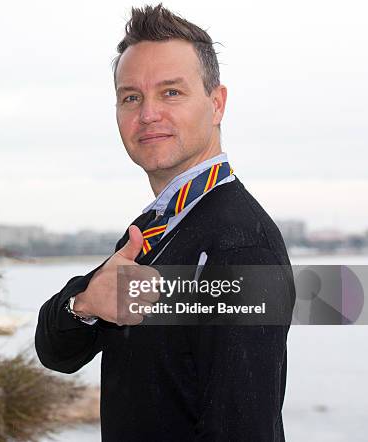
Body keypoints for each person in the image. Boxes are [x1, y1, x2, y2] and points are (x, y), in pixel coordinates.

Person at [35, 4, 295, 441]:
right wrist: (85, 306)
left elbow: (242, 428)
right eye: (131, 97)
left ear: (216, 104)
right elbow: (56, 350)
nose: (148, 113)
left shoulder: (239, 246)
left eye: (171, 92)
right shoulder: (155, 227)